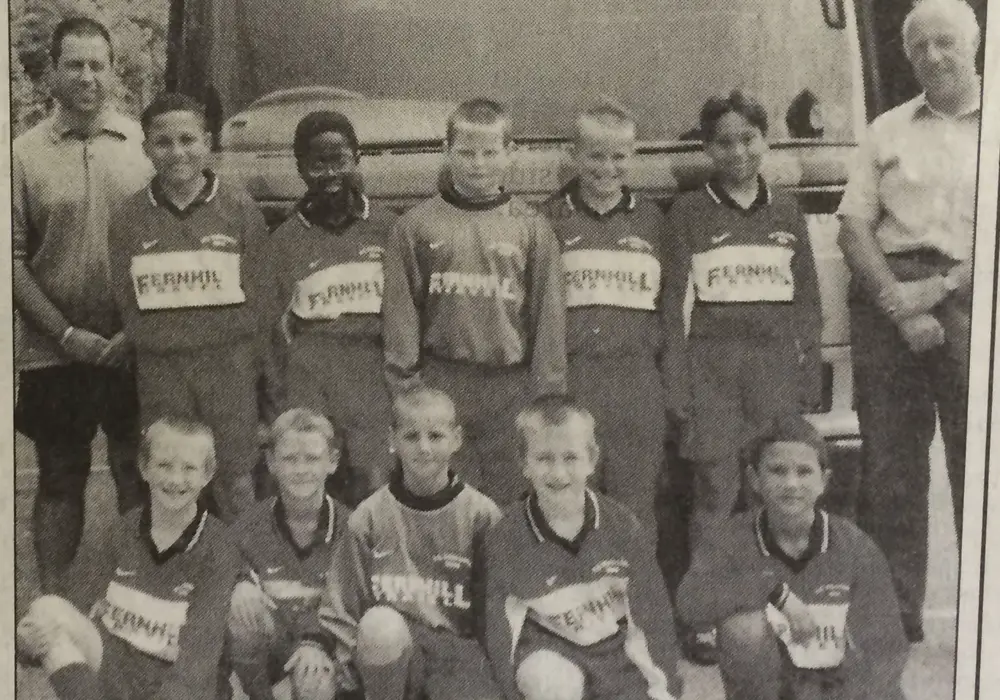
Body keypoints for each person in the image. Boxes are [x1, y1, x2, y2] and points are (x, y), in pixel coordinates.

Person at [836, 0, 979, 643]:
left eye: (945, 42)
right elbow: (853, 226)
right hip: (888, 298)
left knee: (978, 464)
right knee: (890, 465)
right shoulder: (886, 130)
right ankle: (893, 617)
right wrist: (899, 303)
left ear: (974, 44)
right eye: (919, 47)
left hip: (972, 293)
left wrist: (945, 287)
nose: (933, 57)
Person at [13, 16, 153, 594]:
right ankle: (52, 603)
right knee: (59, 478)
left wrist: (135, 331)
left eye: (99, 64)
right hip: (55, 349)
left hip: (133, 345)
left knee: (136, 472)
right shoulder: (21, 155)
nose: (88, 76)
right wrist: (65, 333)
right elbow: (11, 258)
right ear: (51, 72)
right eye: (75, 64)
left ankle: (141, 597)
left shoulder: (147, 146)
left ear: (114, 72)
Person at [382, 98, 567, 504]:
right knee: (446, 498)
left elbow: (547, 320)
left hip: (509, 385)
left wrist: (547, 399)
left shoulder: (532, 228)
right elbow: (401, 320)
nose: (478, 164)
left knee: (509, 500)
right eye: (466, 152)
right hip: (443, 381)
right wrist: (408, 392)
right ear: (446, 152)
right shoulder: (414, 226)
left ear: (509, 153)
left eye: (489, 152)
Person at [662, 90, 822, 544]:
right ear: (708, 149)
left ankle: (766, 598)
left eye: (748, 139)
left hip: (773, 373)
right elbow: (673, 309)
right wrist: (678, 387)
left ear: (765, 140)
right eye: (725, 143)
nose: (738, 152)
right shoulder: (688, 212)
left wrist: (808, 373)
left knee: (771, 489)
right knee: (715, 492)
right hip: (713, 374)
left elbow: (807, 302)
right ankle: (708, 605)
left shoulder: (787, 210)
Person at [108, 91, 271, 522]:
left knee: (235, 478)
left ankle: (246, 571)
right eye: (164, 142)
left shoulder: (239, 209)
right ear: (146, 149)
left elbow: (261, 302)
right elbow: (128, 300)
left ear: (209, 142)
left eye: (188, 140)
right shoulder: (127, 218)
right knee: (171, 476)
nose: (177, 152)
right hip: (163, 371)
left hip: (228, 369)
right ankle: (177, 567)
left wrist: (246, 369)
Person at [677, 415, 908, 700]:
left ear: (824, 481)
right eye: (777, 471)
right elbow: (690, 600)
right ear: (755, 479)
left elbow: (886, 647)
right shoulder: (730, 540)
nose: (791, 483)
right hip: (773, 690)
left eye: (804, 471)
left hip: (840, 690)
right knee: (742, 629)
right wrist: (774, 593)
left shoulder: (854, 546)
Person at [15, 417, 240, 700]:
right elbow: (74, 604)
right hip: (118, 675)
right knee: (46, 609)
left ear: (207, 475)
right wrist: (27, 643)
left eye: (189, 469)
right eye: (164, 466)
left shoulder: (219, 546)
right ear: (144, 469)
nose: (175, 479)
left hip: (182, 687)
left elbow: (200, 656)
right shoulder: (118, 532)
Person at [541, 102, 685, 526]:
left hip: (636, 381)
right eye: (595, 156)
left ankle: (632, 590)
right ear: (573, 155)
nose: (607, 167)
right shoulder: (548, 220)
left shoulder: (654, 222)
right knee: (567, 502)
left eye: (618, 156)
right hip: (573, 377)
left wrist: (669, 385)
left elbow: (672, 312)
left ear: (633, 155)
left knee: (633, 507)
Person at [484, 395, 683, 700]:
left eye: (570, 458)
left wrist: (664, 690)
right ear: (524, 463)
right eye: (544, 459)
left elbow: (653, 618)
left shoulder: (622, 527)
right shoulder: (505, 537)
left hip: (615, 659)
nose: (558, 473)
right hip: (551, 657)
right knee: (549, 681)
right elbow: (499, 635)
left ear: (592, 459)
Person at [268, 111, 397, 505]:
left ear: (356, 157)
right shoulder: (284, 239)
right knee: (312, 476)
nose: (329, 173)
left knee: (374, 480)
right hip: (312, 367)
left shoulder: (389, 228)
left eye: (338, 159)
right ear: (301, 169)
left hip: (372, 366)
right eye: (317, 163)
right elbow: (274, 327)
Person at [342, 387, 503, 700]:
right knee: (380, 625)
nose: (424, 447)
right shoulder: (370, 515)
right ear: (392, 440)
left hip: (458, 656)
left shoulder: (482, 514)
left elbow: (497, 612)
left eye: (436, 436)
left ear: (457, 438)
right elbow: (345, 606)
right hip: (396, 657)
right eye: (411, 436)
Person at [228, 408, 359, 700]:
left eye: (312, 459)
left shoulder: (353, 529)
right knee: (241, 613)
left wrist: (315, 643)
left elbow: (352, 608)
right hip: (274, 651)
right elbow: (222, 560)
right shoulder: (249, 525)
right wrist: (239, 583)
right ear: (272, 463)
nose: (301, 470)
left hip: (326, 653)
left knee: (312, 681)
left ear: (332, 462)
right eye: (289, 459)